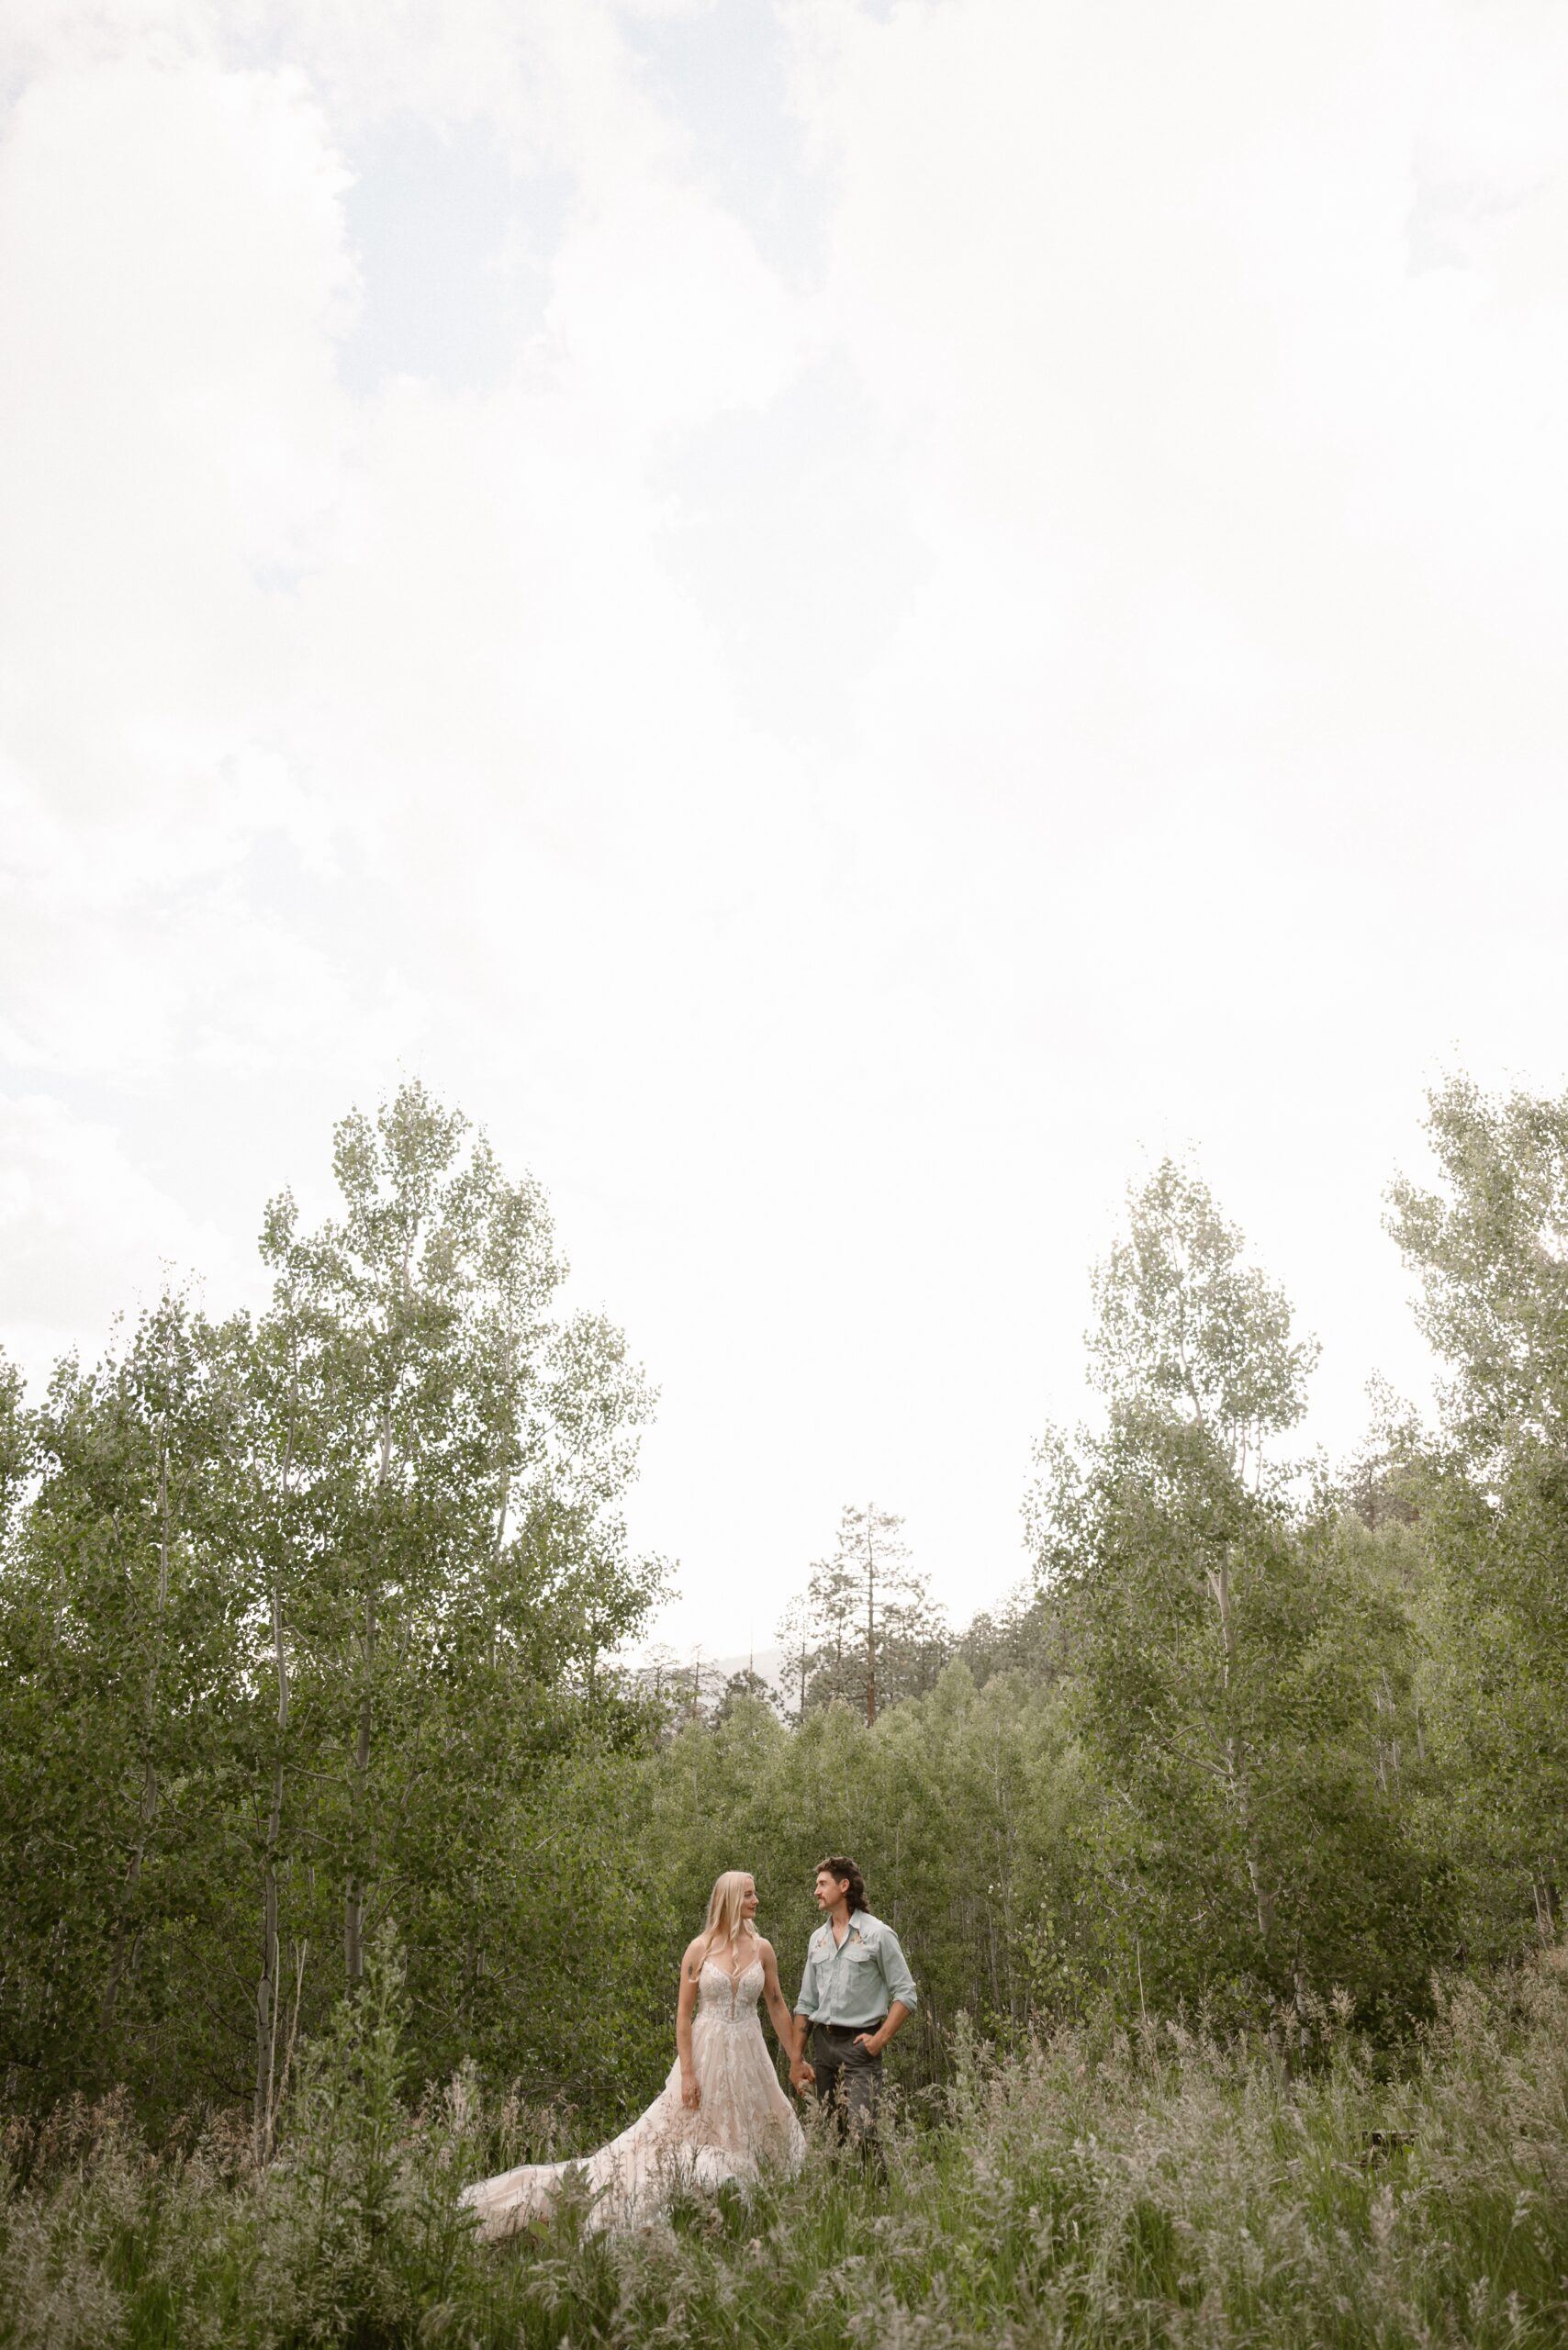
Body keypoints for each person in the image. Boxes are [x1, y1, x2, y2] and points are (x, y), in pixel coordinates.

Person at [461, 1869, 804, 2238]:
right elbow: (684, 2016)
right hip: (707, 2054)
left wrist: (796, 2060)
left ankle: (746, 2208)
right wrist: (688, 2072)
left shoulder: (762, 1948)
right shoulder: (699, 1948)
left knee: (754, 2127)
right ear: (732, 1900)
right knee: (681, 2133)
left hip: (749, 2053)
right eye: (750, 1895)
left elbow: (776, 2005)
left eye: (755, 1894)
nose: (756, 1901)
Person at [790, 1855, 917, 2156]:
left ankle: (879, 2201)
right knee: (831, 2136)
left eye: (822, 1884)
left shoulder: (877, 1934)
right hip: (824, 2048)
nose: (816, 1891)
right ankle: (839, 2201)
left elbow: (906, 1993)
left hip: (861, 2048)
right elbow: (806, 2002)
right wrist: (796, 2059)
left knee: (863, 2133)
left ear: (843, 1886)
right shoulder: (817, 1940)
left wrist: (880, 2040)